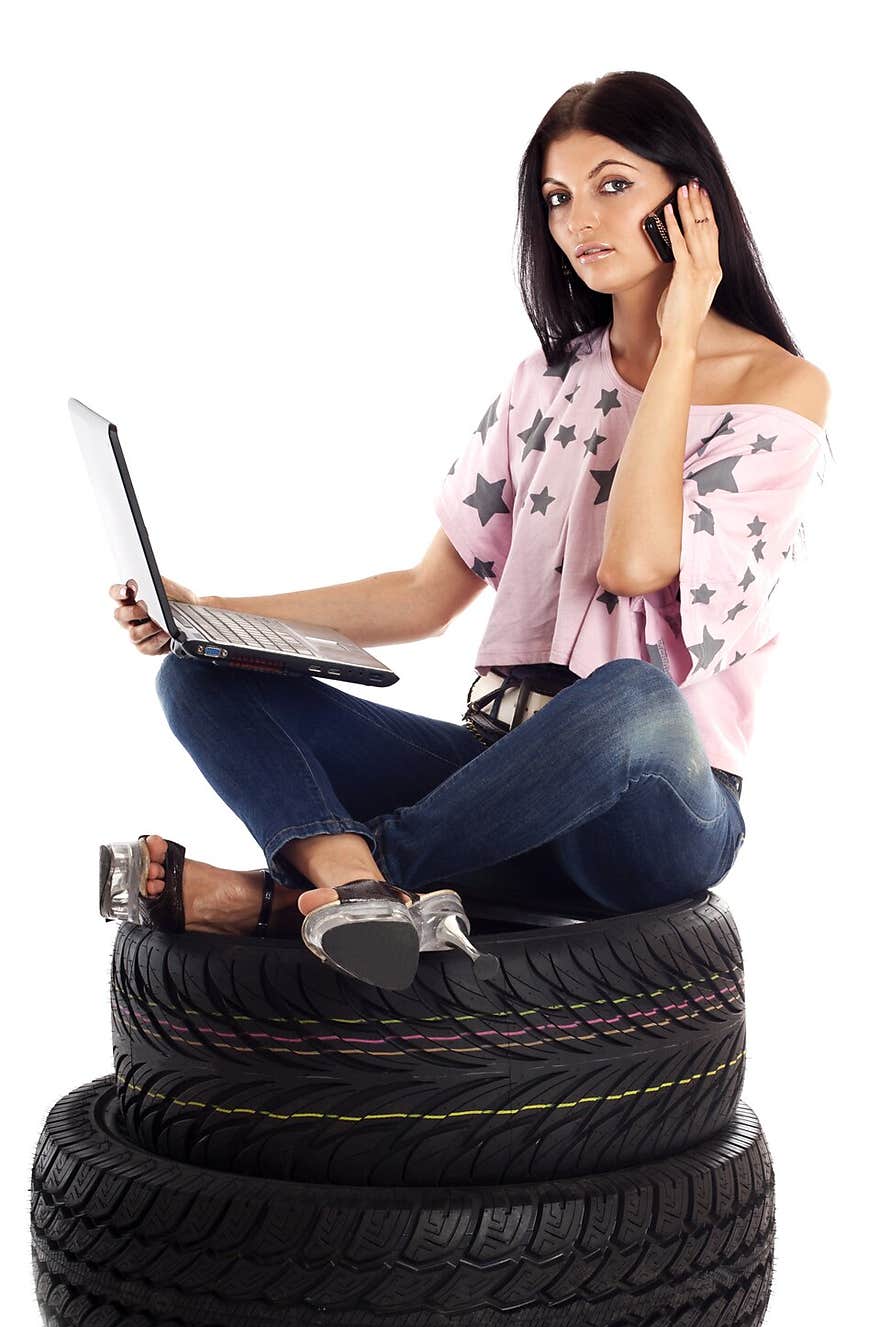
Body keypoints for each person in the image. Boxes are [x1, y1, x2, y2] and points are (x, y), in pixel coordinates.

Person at [99, 69, 831, 991]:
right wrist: (210, 613)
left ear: (692, 201)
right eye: (558, 198)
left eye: (613, 185)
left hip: (651, 819)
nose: (578, 221)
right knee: (201, 679)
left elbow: (639, 562)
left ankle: (299, 896)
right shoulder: (544, 380)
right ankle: (354, 886)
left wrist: (677, 343)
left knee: (634, 698)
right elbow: (425, 594)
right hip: (497, 791)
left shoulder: (779, 391)